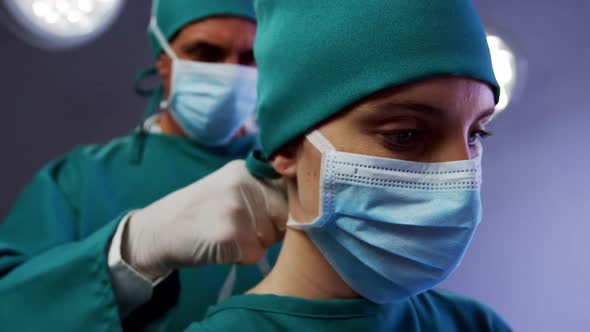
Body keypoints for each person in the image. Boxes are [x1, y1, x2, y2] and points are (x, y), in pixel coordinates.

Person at [184, 0, 513, 331]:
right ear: (286, 147)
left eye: (475, 133)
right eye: (406, 134)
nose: (461, 180)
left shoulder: (475, 324)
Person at [0, 1, 286, 331]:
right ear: (163, 59)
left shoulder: (290, 172)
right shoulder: (81, 180)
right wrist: (132, 251)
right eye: (206, 53)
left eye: (249, 58)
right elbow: (11, 307)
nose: (231, 72)